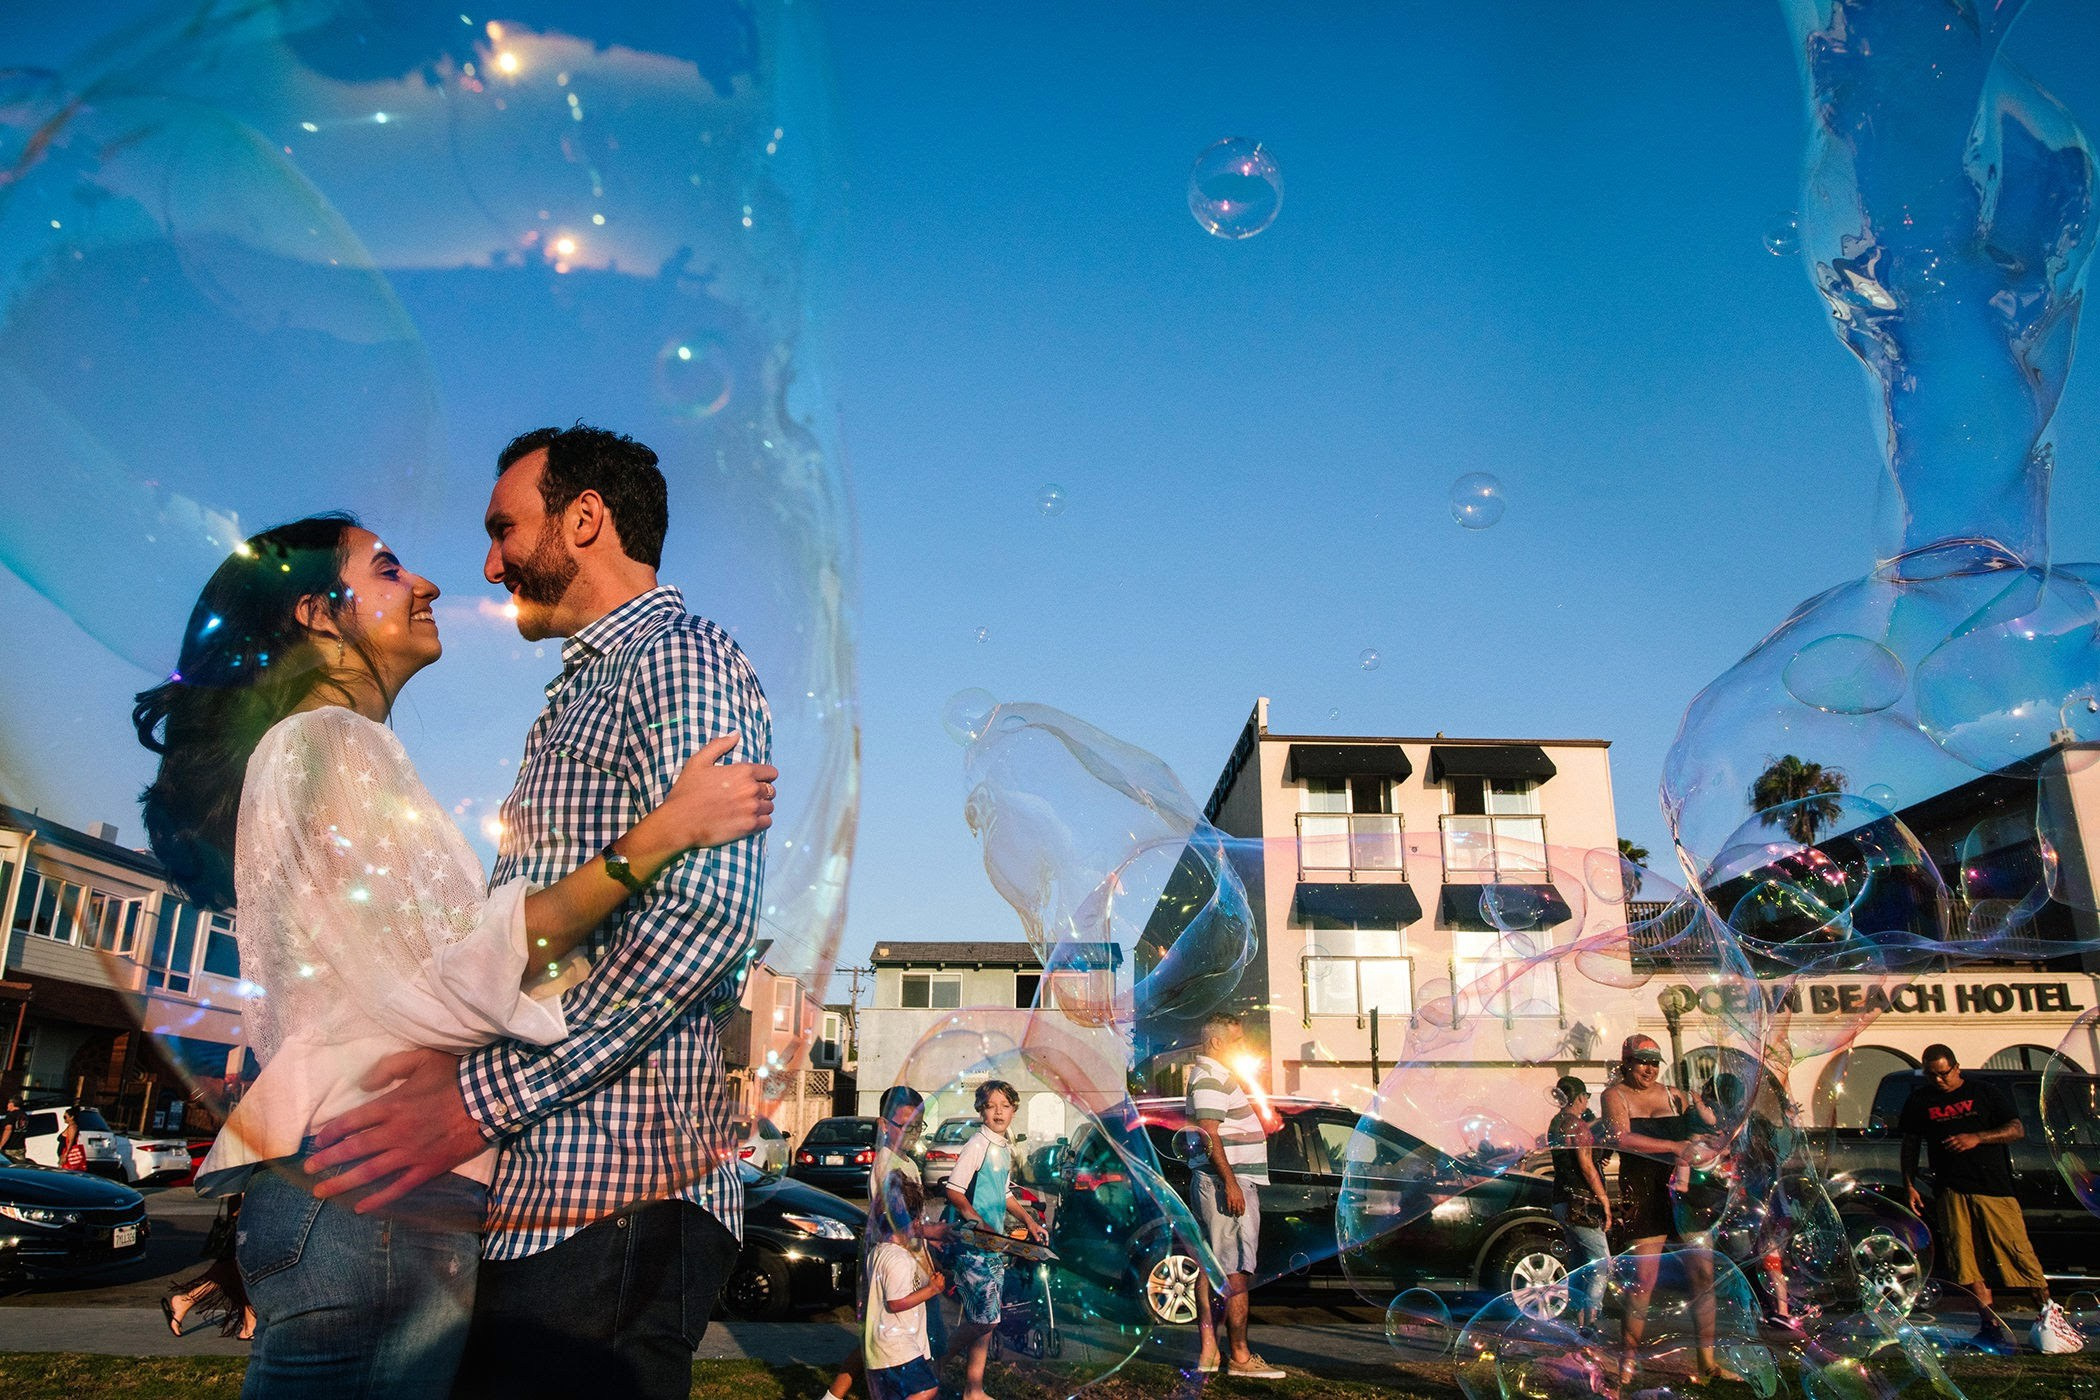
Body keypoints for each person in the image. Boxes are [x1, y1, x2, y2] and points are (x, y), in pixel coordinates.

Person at [132, 511, 773, 1399]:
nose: (432, 582)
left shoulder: (332, 750)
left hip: (367, 1198)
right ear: (320, 614)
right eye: (389, 568)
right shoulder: (328, 743)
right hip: (377, 1203)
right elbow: (449, 977)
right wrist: (657, 838)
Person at [299, 426, 775, 1400]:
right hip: (547, 1199)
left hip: (619, 1193)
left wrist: (475, 1101)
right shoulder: (583, 686)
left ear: (585, 516)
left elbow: (702, 920)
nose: (487, 561)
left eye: (503, 527)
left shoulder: (676, 657)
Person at [1599, 1034, 1737, 1388]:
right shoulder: (1615, 1095)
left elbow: (1706, 1129)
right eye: (1641, 1060)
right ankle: (1627, 1364)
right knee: (1642, 1282)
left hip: (1685, 1192)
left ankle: (1707, 1362)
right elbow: (1620, 1137)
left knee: (1703, 1277)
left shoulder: (1675, 1095)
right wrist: (1674, 1145)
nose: (1648, 1068)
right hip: (1644, 1191)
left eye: (1654, 1062)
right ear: (1626, 1061)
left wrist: (1712, 1127)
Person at [1900, 1044, 2047, 1347]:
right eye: (1931, 1075)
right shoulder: (1920, 1099)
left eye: (1944, 1074)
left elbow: (2016, 1129)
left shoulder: (1984, 1092)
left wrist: (1977, 1137)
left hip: (1992, 1187)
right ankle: (1990, 1325)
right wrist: (1910, 1184)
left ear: (1956, 1067)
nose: (1939, 1081)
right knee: (1966, 1262)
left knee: (2019, 1254)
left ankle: (2049, 1318)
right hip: (1951, 1189)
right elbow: (1911, 1143)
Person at [1184, 1011, 1286, 1380]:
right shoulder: (1210, 1077)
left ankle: (1210, 1353)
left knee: (1215, 1269)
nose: (1242, 1045)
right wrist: (1229, 1182)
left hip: (1223, 1181)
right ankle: (1239, 1358)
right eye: (1237, 1040)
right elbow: (1209, 1134)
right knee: (1236, 1271)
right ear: (1216, 1042)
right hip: (1228, 1183)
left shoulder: (1214, 1077)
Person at [826, 1085, 945, 1400]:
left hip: (908, 1261)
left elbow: (914, 1219)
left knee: (879, 1339)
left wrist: (930, 1242)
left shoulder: (908, 1164)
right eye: (905, 1125)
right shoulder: (885, 1165)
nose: (912, 1132)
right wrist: (934, 1234)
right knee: (884, 1338)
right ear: (883, 1125)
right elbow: (899, 1222)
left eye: (918, 1126)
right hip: (891, 1262)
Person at [942, 1080, 1047, 1400]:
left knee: (985, 1320)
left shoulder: (1002, 1145)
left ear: (1014, 1109)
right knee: (985, 1319)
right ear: (981, 1111)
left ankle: (973, 1388)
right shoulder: (978, 1144)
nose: (998, 1111)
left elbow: (1002, 1192)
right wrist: (980, 1223)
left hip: (992, 1244)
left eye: (1005, 1105)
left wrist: (1029, 1220)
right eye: (991, 1105)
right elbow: (954, 1190)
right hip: (973, 1244)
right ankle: (936, 1363)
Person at [864, 1178, 945, 1400]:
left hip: (883, 1347)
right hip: (896, 1346)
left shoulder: (879, 1252)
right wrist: (932, 1290)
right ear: (912, 1221)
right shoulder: (898, 1259)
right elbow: (895, 1302)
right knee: (926, 1389)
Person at [1546, 1075, 1612, 1335]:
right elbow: (1585, 1166)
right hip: (1580, 1203)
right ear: (1581, 1097)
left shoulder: (1556, 1123)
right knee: (1601, 1262)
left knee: (1579, 1261)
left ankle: (1578, 1322)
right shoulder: (1577, 1125)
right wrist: (1604, 1200)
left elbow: (1578, 1160)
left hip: (1561, 1199)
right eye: (1586, 1098)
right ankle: (1591, 1321)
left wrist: (1598, 1158)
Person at [164, 1195, 256, 1341]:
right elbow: (240, 1174)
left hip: (253, 1202)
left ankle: (249, 1325)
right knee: (241, 1264)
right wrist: (245, 1197)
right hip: (247, 1203)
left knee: (240, 1265)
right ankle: (186, 1300)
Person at [0, 1096, 28, 1163]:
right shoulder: (24, 1115)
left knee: (8, 1168)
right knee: (20, 1167)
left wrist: (0, 1145)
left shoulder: (11, 1115)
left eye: (8, 1103)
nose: (7, 1105)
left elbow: (8, 1130)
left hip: (10, 1149)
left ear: (11, 1104)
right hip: (21, 1147)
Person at [58, 1107, 86, 1171]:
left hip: (66, 1155)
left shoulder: (72, 1127)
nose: (64, 1119)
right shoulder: (70, 1126)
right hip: (63, 1154)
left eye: (65, 1117)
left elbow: (70, 1141)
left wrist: (65, 1155)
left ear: (72, 1117)